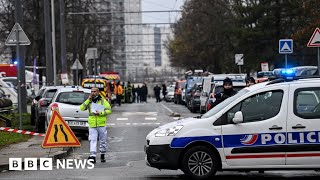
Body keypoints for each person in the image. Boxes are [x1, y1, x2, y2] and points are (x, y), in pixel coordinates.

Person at [80, 87, 112, 163]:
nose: (92, 93)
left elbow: (109, 110)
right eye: (91, 91)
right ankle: (92, 156)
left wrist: (100, 113)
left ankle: (102, 154)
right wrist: (88, 100)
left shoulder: (103, 101)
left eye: (94, 91)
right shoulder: (89, 101)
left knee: (103, 141)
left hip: (101, 124)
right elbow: (81, 108)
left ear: (98, 92)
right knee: (92, 140)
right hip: (92, 125)